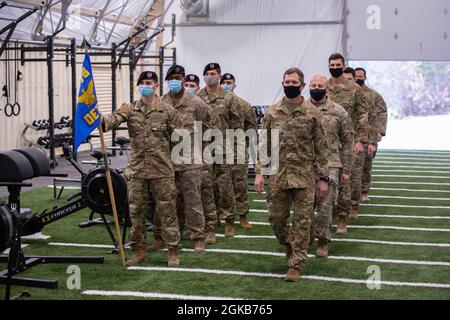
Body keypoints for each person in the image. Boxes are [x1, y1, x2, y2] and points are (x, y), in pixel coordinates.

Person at [254, 67, 330, 282]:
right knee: (276, 219)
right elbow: (263, 145)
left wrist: (323, 178)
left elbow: (322, 147)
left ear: (302, 85)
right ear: (282, 83)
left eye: (294, 82)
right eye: (287, 82)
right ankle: (289, 244)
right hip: (278, 176)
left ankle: (297, 263)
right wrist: (259, 173)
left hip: (305, 177)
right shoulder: (272, 112)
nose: (290, 85)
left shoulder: (312, 113)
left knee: (302, 221)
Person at [102, 71, 182, 267]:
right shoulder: (129, 109)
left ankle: (172, 251)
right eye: (142, 82)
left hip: (162, 171)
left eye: (149, 82)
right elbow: (111, 122)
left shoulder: (167, 111)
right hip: (137, 171)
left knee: (167, 212)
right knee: (136, 213)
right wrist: (98, 119)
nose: (145, 85)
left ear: (156, 86)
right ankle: (138, 251)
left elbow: (180, 138)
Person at [151, 65, 213, 254]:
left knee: (193, 201)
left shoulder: (196, 102)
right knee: (165, 202)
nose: (175, 81)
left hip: (190, 162)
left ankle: (198, 238)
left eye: (179, 78)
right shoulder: (161, 102)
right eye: (172, 78)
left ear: (183, 79)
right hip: (167, 162)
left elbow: (210, 126)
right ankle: (160, 237)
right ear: (168, 81)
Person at [308, 75, 354, 257]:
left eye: (320, 85)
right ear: (308, 87)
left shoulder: (339, 111)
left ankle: (323, 241)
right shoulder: (302, 109)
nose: (317, 88)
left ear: (326, 88)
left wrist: (347, 170)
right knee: (305, 205)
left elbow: (348, 141)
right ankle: (307, 235)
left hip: (331, 165)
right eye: (314, 85)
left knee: (325, 205)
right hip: (305, 165)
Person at [198, 63, 242, 238]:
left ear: (219, 76)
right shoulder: (197, 97)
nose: (210, 76)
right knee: (207, 187)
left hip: (223, 148)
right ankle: (211, 222)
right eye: (207, 73)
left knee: (225, 186)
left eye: (213, 73)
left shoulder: (229, 98)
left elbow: (236, 125)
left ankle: (230, 220)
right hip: (203, 149)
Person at [327, 53, 369, 235]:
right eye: (332, 64)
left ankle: (343, 219)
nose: (334, 67)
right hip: (326, 144)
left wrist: (361, 140)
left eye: (337, 64)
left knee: (345, 182)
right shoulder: (323, 86)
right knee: (324, 181)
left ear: (343, 66)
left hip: (347, 143)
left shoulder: (354, 89)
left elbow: (363, 115)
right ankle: (327, 215)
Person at [220, 73, 257, 230]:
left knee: (240, 185)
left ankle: (242, 216)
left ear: (234, 85)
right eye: (224, 82)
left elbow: (251, 128)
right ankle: (217, 216)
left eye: (229, 82)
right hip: (216, 151)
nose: (226, 85)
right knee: (218, 185)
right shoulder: (212, 104)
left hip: (237, 152)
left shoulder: (244, 105)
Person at [355, 67, 388, 203]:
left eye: (360, 76)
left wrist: (379, 131)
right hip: (352, 135)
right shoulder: (348, 94)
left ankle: (363, 191)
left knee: (366, 165)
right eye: (355, 76)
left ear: (365, 77)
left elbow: (382, 112)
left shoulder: (373, 95)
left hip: (369, 135)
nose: (358, 79)